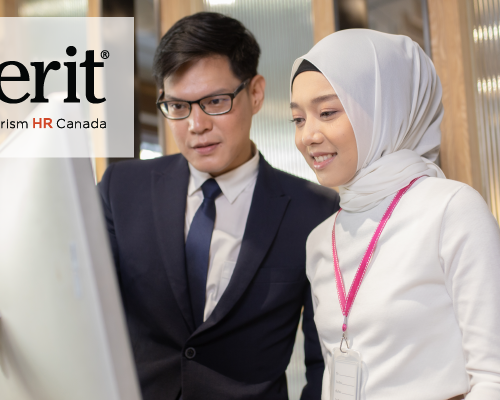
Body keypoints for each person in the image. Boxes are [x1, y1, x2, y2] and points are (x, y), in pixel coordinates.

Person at [99, 12, 339, 400]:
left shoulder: (313, 211)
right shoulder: (122, 190)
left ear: (256, 93)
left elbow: (324, 360)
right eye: (177, 106)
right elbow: (80, 310)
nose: (196, 125)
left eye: (214, 101)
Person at [290, 29, 500, 400]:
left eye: (327, 113)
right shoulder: (321, 238)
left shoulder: (450, 208)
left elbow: (494, 376)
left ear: (381, 109)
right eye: (298, 119)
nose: (308, 135)